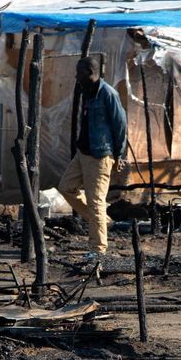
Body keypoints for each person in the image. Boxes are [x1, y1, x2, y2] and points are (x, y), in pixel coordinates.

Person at [58, 56, 126, 261]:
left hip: (100, 155)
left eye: (79, 73)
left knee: (96, 201)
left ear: (90, 72)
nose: (76, 77)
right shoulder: (88, 92)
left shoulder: (108, 94)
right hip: (84, 152)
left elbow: (120, 125)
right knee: (66, 187)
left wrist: (119, 154)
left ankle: (98, 249)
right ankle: (103, 221)